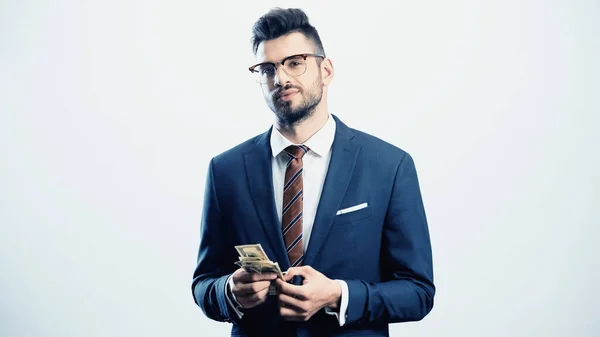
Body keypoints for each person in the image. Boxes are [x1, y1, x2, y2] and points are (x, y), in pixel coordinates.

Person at [191, 7, 435, 337]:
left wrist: (338, 294)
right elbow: (204, 283)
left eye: (294, 62)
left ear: (326, 70)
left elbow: (418, 292)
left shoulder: (389, 166)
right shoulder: (226, 170)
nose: (281, 79)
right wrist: (229, 291)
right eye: (267, 69)